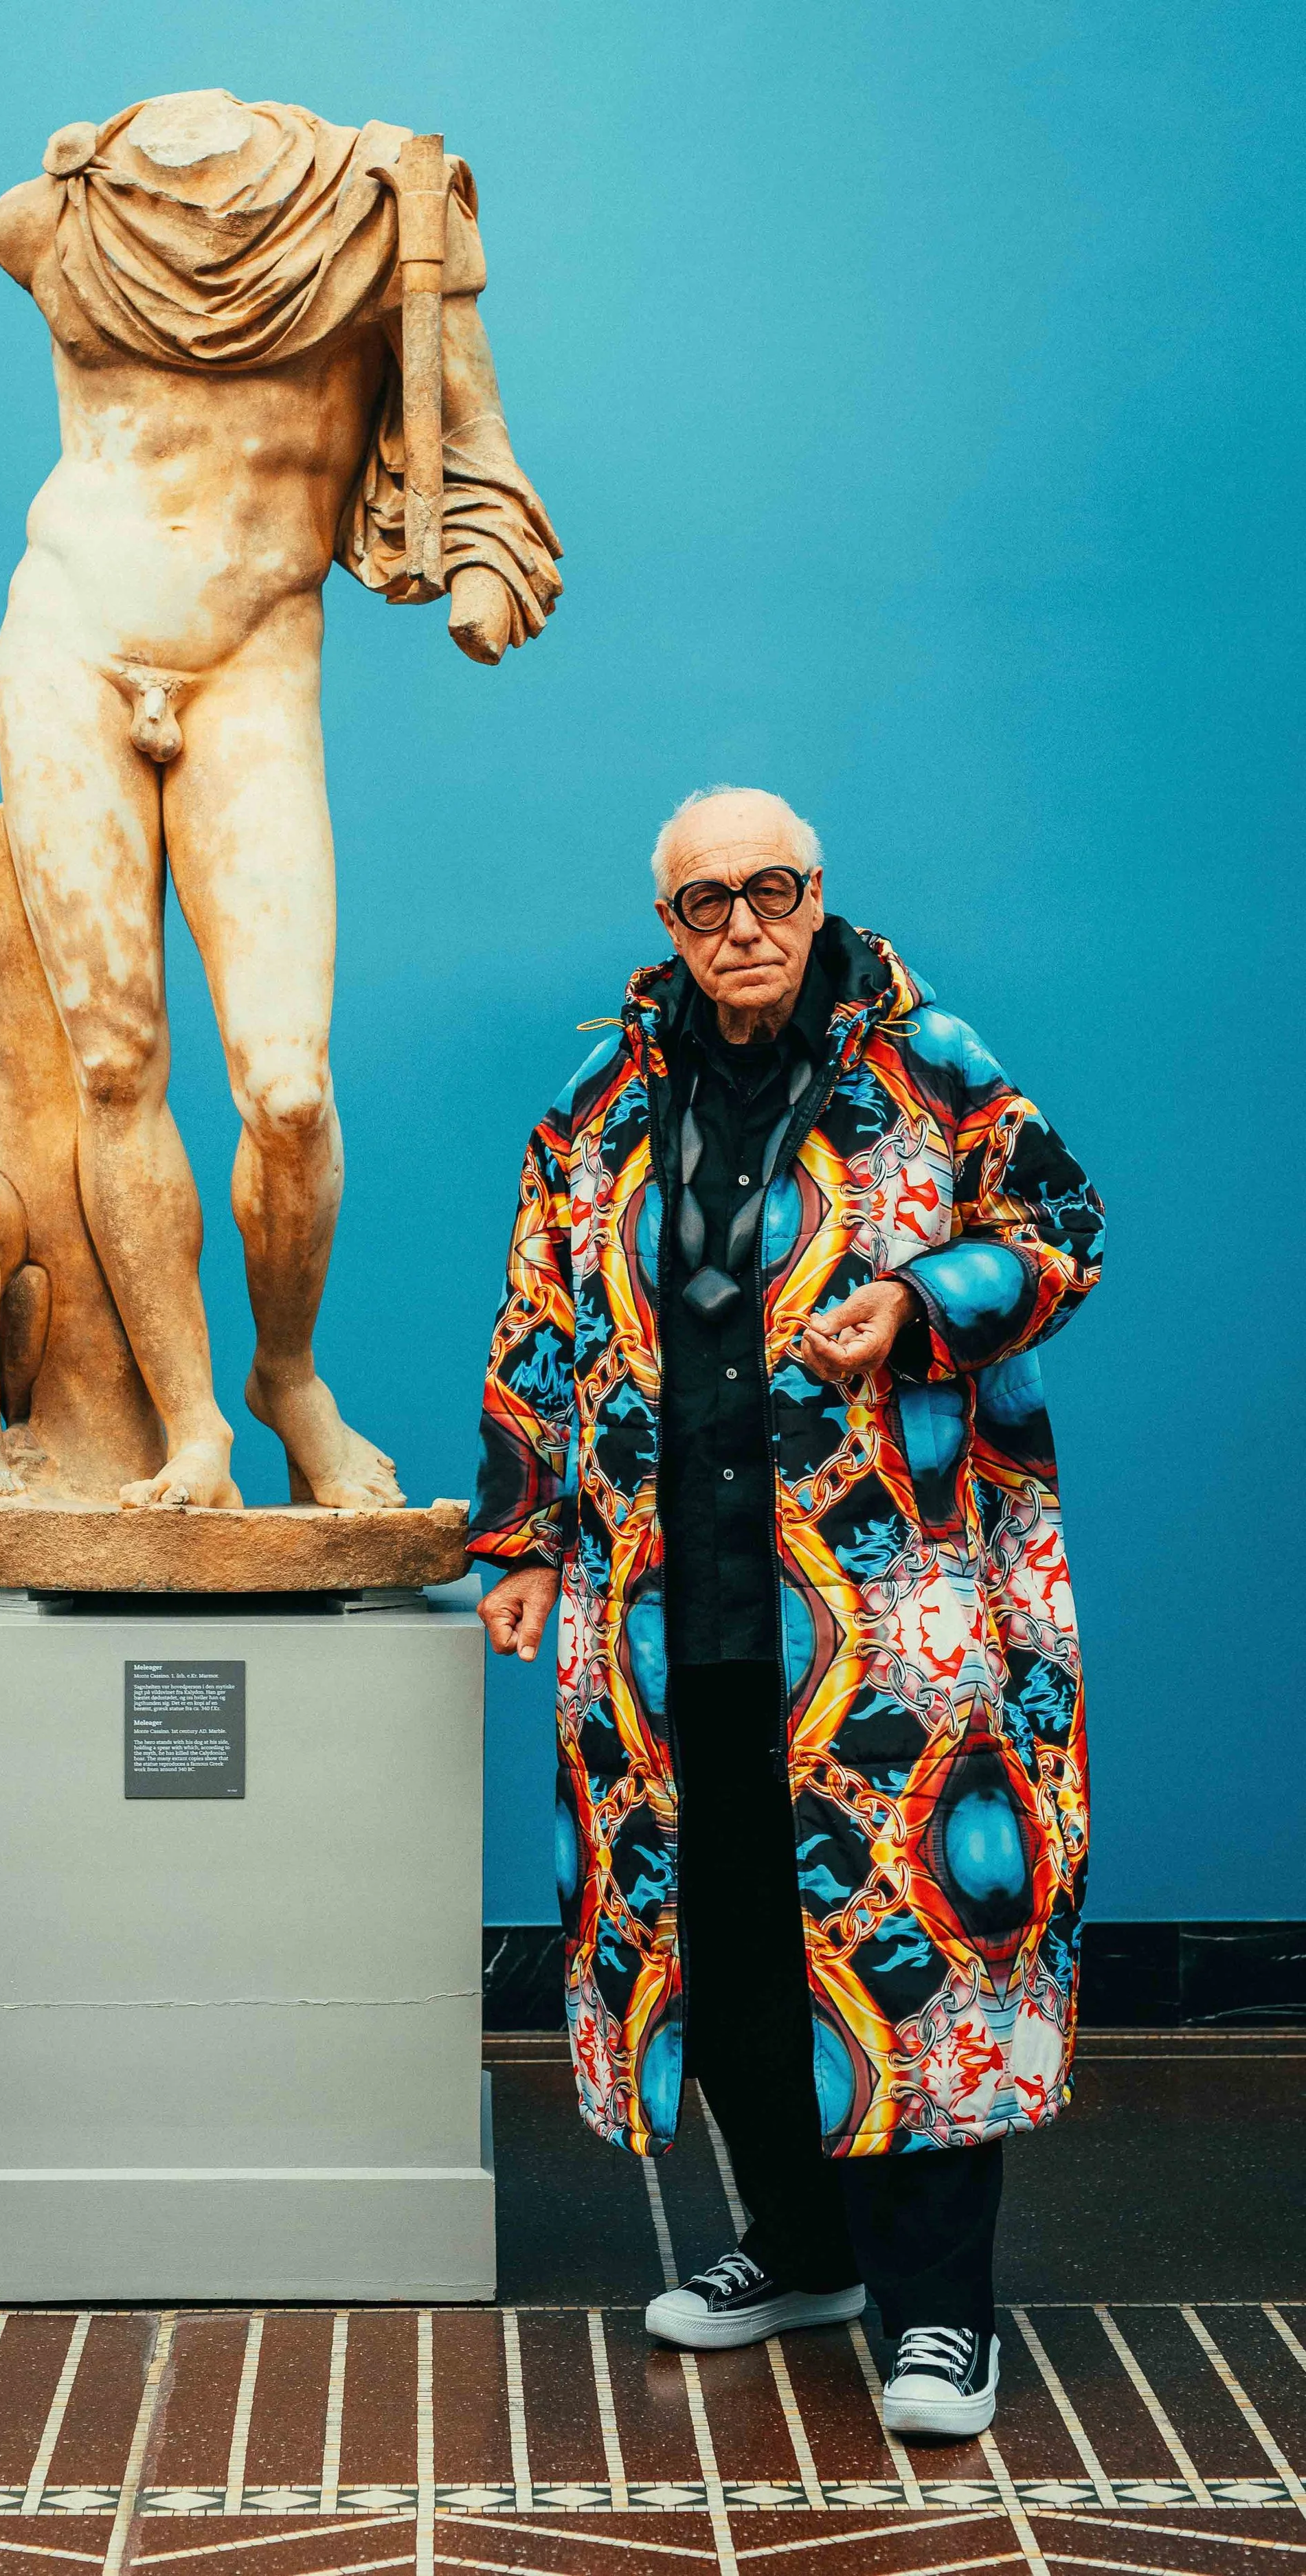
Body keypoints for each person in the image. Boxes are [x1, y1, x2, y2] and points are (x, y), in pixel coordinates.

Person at [469, 787, 1103, 2437]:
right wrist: (524, 1536)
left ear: (816, 894)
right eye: (702, 902)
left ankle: (937, 2319)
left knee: (909, 1941)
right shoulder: (596, 1097)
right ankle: (798, 2246)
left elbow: (1060, 1225)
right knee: (727, 1932)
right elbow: (537, 1309)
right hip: (662, 1612)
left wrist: (914, 1297)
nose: (738, 925)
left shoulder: (927, 1059)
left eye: (768, 891)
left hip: (891, 1609)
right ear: (666, 923)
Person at [0, 88, 560, 1511]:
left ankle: (283, 1372)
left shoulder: (384, 217)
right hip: (68, 647)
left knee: (287, 1090)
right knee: (116, 1070)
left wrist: (487, 564)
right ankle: (193, 1429)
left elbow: (472, 444)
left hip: (251, 663)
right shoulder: (58, 213)